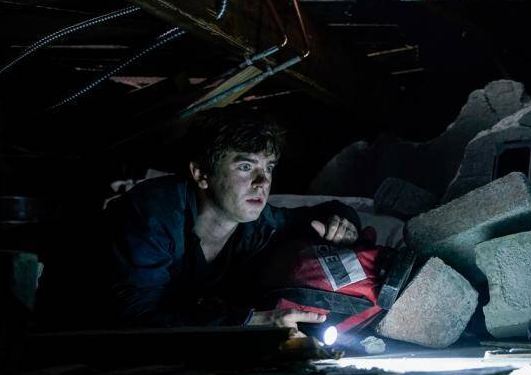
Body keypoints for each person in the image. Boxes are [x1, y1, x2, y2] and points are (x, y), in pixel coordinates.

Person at [98, 109, 362, 334]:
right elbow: (137, 319)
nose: (262, 182)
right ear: (201, 174)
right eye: (246, 167)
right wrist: (248, 321)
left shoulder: (260, 223)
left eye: (268, 168)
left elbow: (329, 212)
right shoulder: (152, 214)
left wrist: (342, 225)